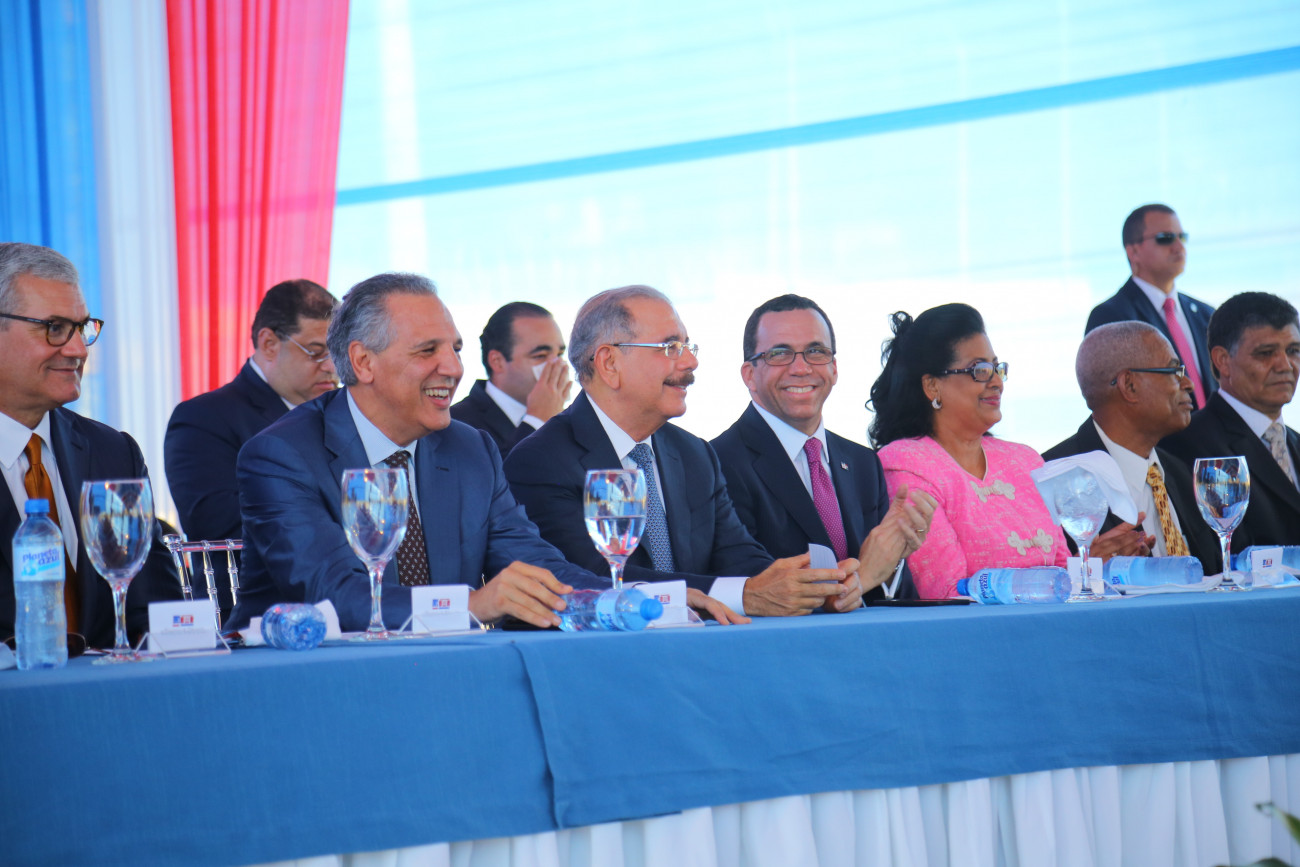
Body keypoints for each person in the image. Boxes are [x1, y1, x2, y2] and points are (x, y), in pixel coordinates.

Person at [227, 273, 602, 632]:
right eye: (427, 351)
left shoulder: (471, 449)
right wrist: (468, 606)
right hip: (309, 670)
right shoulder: (281, 455)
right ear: (363, 362)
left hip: (443, 666)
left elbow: (537, 565)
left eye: (456, 349)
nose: (454, 368)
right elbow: (336, 595)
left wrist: (621, 599)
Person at [505, 285, 859, 619]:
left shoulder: (693, 454)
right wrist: (745, 595)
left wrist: (811, 586)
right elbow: (595, 578)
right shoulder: (541, 461)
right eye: (670, 346)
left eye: (688, 346)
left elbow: (739, 559)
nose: (690, 362)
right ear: (610, 363)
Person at [0, 242, 180, 648]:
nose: (79, 350)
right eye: (54, 328)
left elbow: (156, 610)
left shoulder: (114, 453)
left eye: (82, 328)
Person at [711, 294, 932, 602]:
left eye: (816, 352)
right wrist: (865, 574)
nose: (801, 368)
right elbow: (760, 589)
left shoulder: (862, 463)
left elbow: (898, 596)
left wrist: (892, 558)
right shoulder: (717, 463)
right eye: (780, 354)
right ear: (750, 374)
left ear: (834, 368)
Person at [868, 303, 1069, 599]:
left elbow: (1065, 572)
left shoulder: (1025, 460)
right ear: (932, 386)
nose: (997, 382)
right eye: (980, 370)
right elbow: (946, 592)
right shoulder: (907, 464)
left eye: (997, 368)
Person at [165, 279, 339, 549]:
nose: (331, 367)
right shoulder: (202, 419)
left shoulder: (343, 414)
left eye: (338, 353)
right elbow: (218, 527)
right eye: (316, 353)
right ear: (269, 343)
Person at [1043, 321, 1221, 574]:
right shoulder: (1055, 479)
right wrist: (1086, 570)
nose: (1188, 384)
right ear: (1129, 385)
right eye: (1174, 371)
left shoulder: (1181, 473)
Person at [1162, 292, 1300, 551]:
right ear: (1223, 361)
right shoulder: (1187, 444)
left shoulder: (1294, 441)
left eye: (1293, 351)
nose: (1285, 365)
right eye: (1266, 353)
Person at [1086, 204, 1216, 409]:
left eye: (1182, 237)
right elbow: (1110, 402)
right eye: (1165, 238)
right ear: (1133, 251)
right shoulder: (1112, 317)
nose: (1178, 247)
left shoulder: (1206, 314)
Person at [450, 302, 572, 457]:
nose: (557, 366)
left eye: (559, 354)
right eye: (540, 356)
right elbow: (501, 471)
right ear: (497, 362)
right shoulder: (457, 423)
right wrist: (536, 421)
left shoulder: (568, 421)